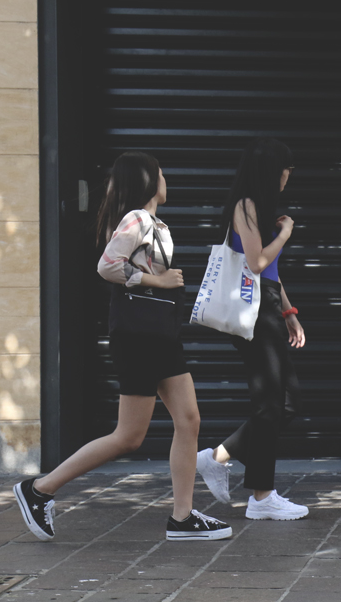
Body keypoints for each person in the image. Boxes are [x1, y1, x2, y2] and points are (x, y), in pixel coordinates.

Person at [13, 152, 231, 542]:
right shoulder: (138, 218)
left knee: (189, 419)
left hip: (158, 337)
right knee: (129, 436)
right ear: (148, 181)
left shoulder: (151, 221)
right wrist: (157, 282)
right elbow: (107, 265)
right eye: (161, 173)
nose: (167, 179)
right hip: (140, 338)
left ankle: (183, 518)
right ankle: (39, 489)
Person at [194, 138, 308, 520]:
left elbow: (268, 273)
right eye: (284, 170)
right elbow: (259, 262)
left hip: (269, 306)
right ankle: (262, 497)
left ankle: (217, 457)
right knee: (271, 405)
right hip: (254, 313)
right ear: (270, 172)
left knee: (287, 402)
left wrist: (289, 311)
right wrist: (286, 234)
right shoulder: (246, 206)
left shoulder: (260, 208)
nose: (288, 177)